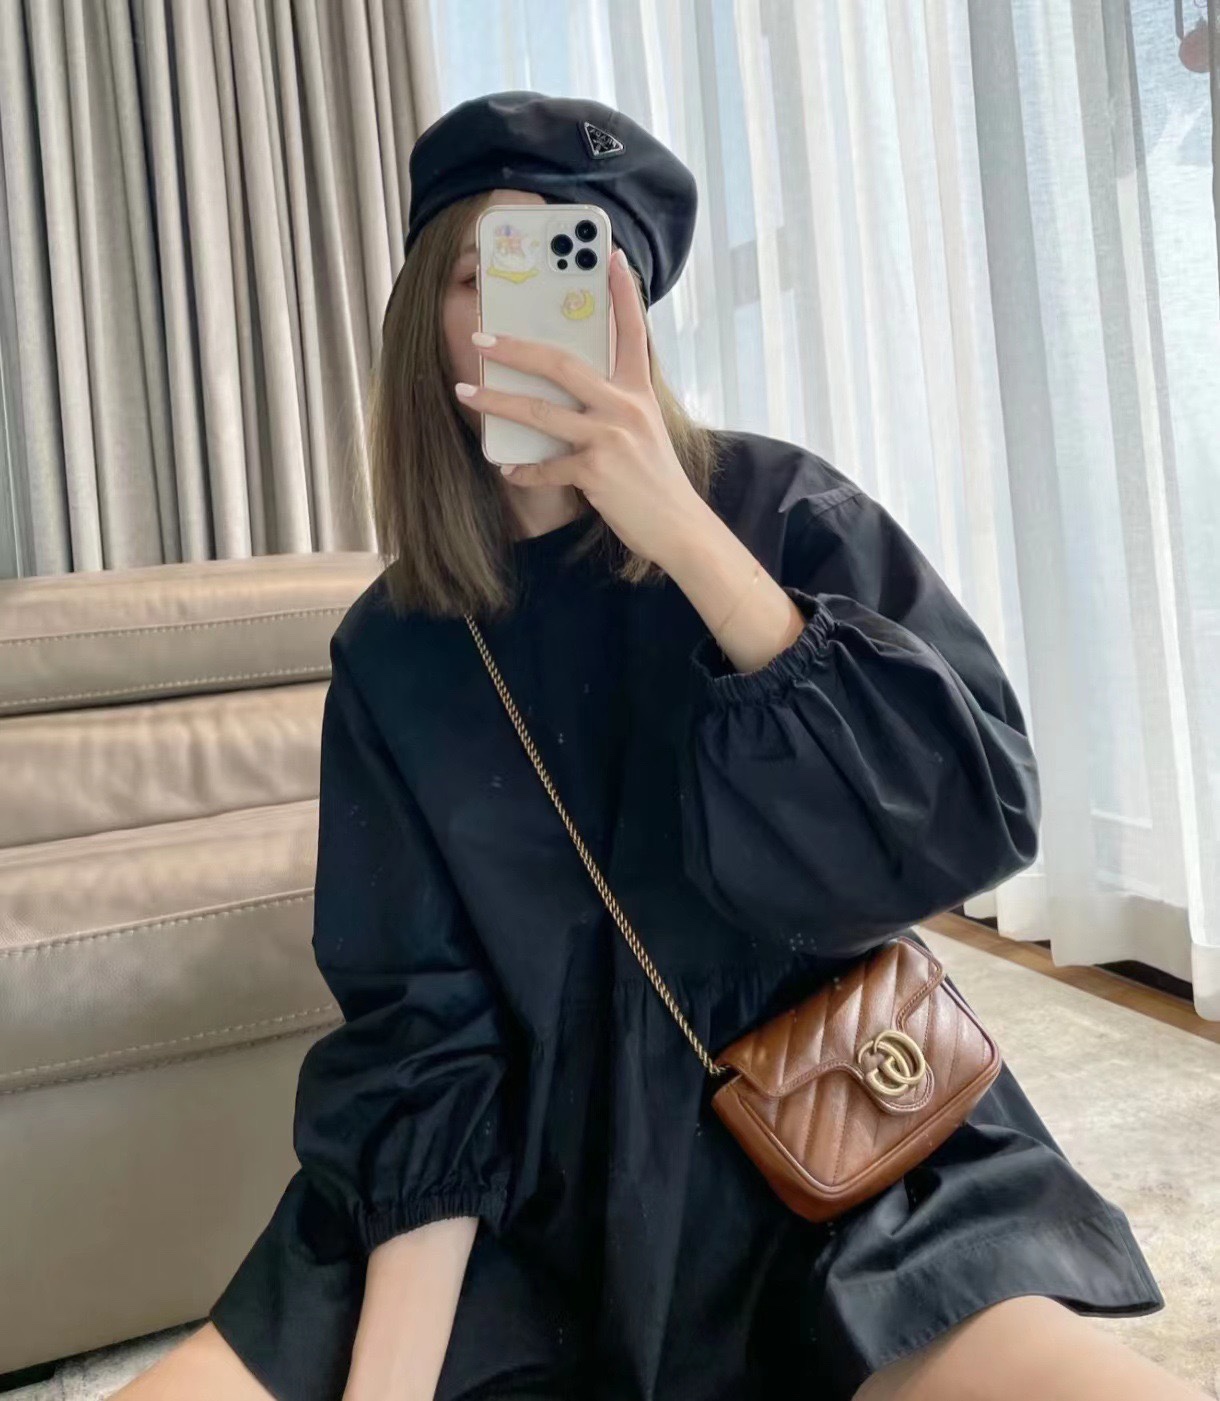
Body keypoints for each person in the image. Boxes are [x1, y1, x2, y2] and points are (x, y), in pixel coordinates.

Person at [115, 92, 1203, 1401]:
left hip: (827, 1150)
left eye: (576, 273)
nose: (528, 315)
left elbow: (962, 820)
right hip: (529, 1199)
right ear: (426, 325)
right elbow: (424, 1038)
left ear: (631, 314)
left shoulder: (779, 508)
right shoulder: (395, 650)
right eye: (482, 273)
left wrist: (685, 533)